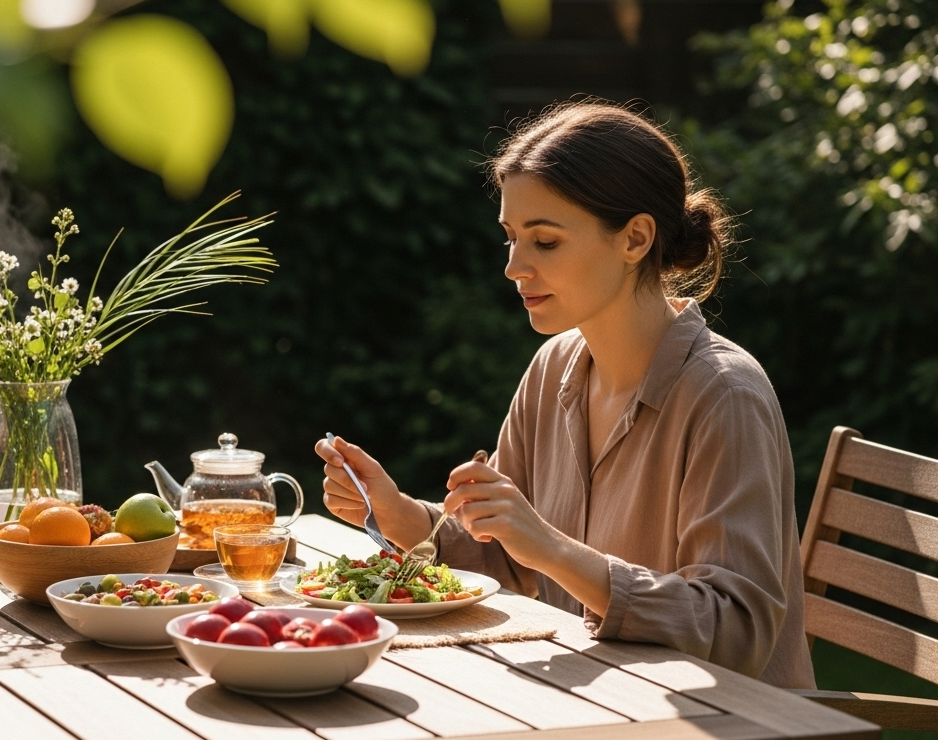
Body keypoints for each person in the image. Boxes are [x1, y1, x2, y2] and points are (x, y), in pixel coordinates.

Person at [314, 102, 816, 688]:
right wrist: (398, 512)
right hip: (596, 701)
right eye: (511, 238)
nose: (514, 267)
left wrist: (552, 547)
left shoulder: (724, 395)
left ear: (635, 238)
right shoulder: (555, 366)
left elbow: (735, 632)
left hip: (727, 721)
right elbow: (508, 556)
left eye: (545, 241)